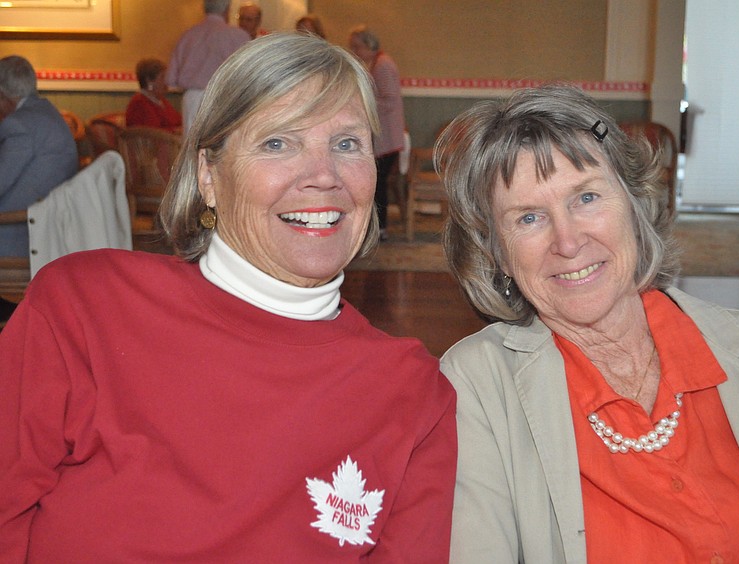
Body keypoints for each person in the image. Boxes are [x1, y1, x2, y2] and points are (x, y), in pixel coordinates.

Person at [0, 33, 457, 561]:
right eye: (278, 143)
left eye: (347, 143)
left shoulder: (415, 394)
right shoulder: (83, 306)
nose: (324, 176)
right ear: (209, 176)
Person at [436, 83, 739, 563]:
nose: (568, 241)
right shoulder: (478, 386)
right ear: (497, 253)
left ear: (636, 206)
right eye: (529, 218)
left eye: (586, 197)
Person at [0, 55, 78, 259]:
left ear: (3, 94)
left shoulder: (19, 125)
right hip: (49, 226)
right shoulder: (46, 111)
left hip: (16, 233)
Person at [349, 25, 405, 240]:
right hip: (385, 134)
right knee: (377, 181)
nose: (354, 51)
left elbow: (389, 100)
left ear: (369, 45)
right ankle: (379, 227)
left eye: (357, 46)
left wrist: (364, 105)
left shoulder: (383, 65)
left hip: (387, 136)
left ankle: (381, 228)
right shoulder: (377, 63)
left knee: (378, 182)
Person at [166, 0, 249, 138]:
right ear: (227, 10)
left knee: (192, 149)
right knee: (222, 148)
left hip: (192, 99)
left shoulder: (188, 35)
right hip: (225, 99)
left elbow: (170, 79)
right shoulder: (238, 36)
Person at [125, 57, 182, 133]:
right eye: (162, 77)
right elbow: (150, 134)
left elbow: (179, 121)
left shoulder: (161, 101)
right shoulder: (139, 103)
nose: (167, 82)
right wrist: (176, 131)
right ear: (149, 80)